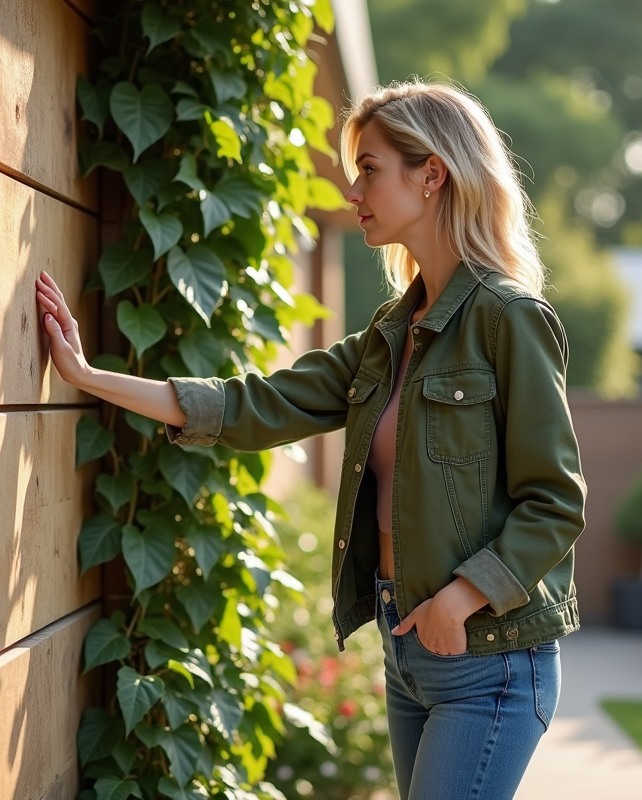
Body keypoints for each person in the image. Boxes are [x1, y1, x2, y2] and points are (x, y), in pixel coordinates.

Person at [35, 79, 586, 800]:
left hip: (490, 660)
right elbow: (253, 407)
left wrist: (461, 598)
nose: (351, 188)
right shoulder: (390, 337)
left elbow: (556, 500)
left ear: (432, 173)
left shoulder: (508, 319)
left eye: (368, 168)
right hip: (409, 652)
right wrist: (87, 374)